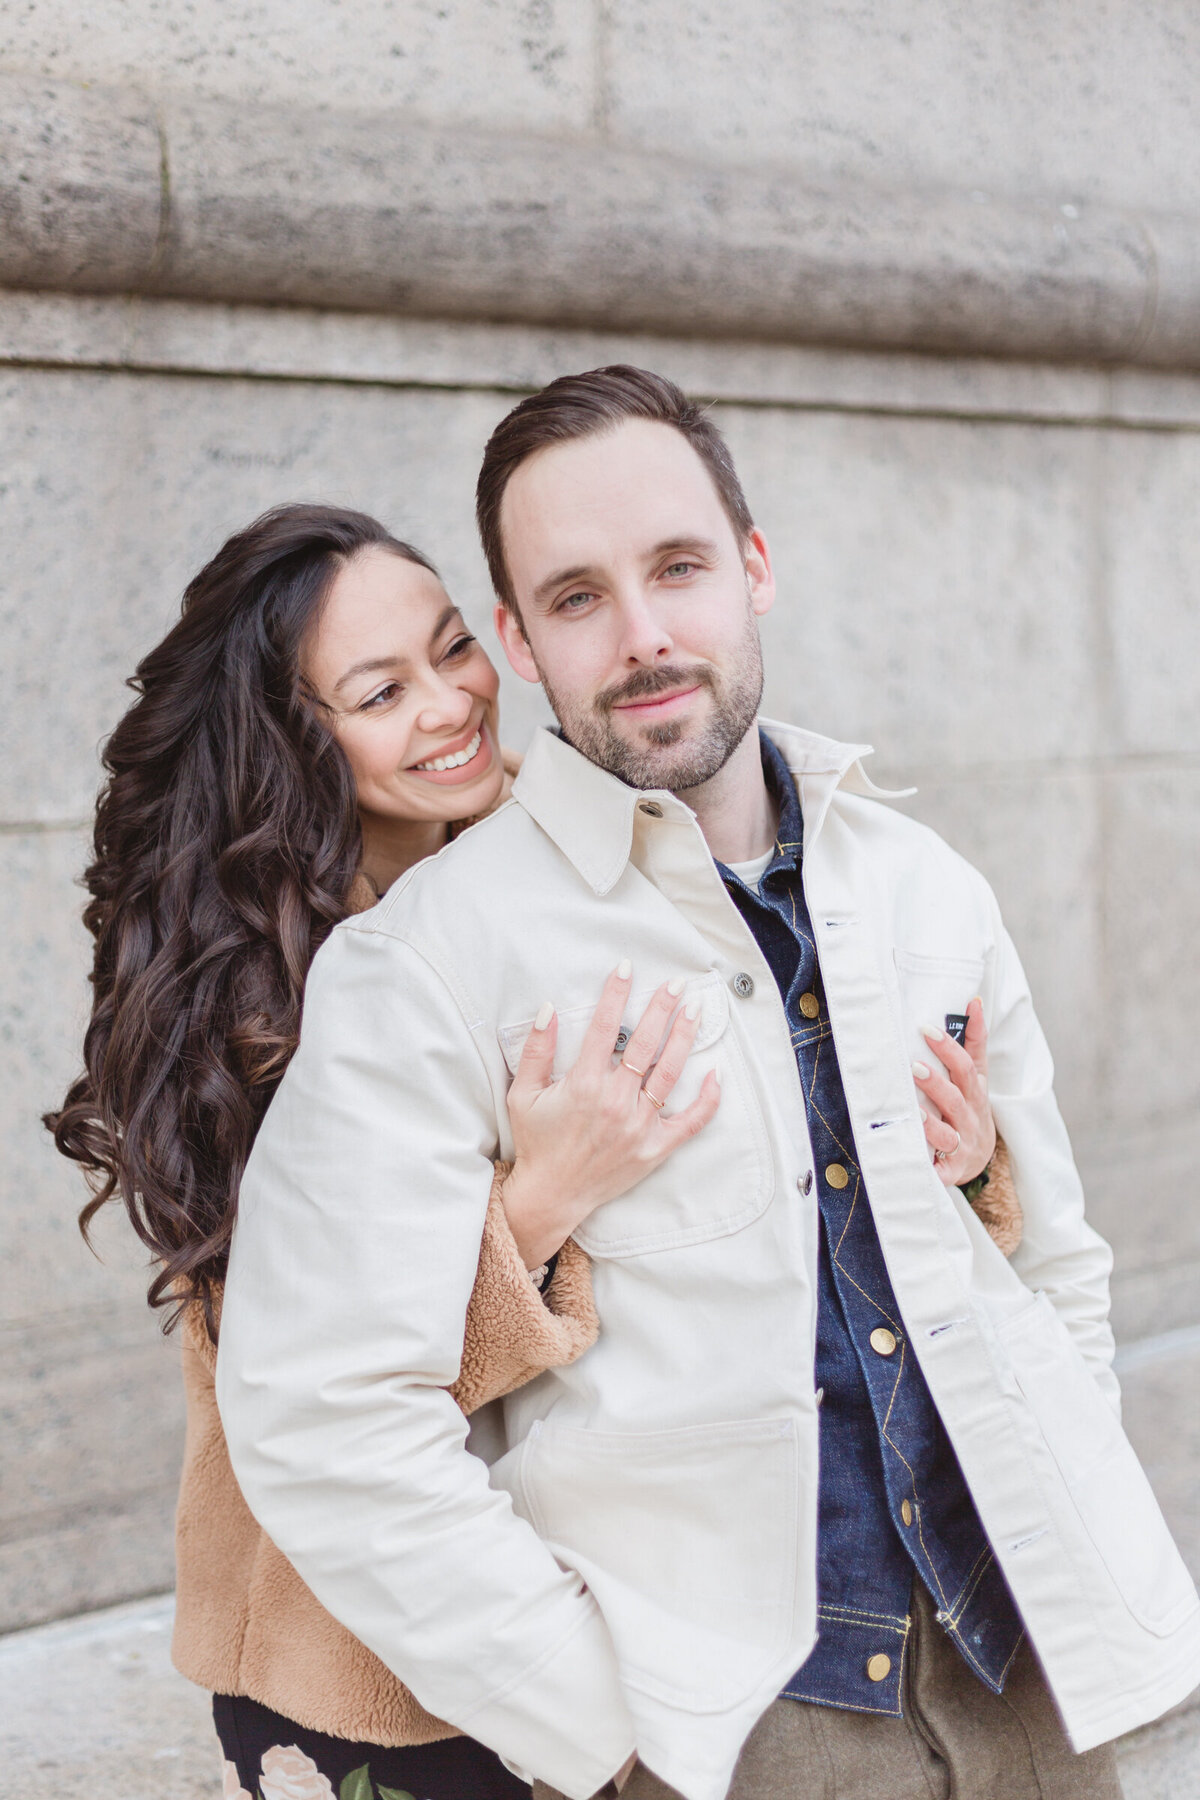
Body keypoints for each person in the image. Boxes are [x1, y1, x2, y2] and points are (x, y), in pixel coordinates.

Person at [215, 367, 1198, 1800]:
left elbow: (1052, 1260)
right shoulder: (427, 961)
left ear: (753, 566)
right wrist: (596, 1724)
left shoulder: (926, 889)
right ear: (521, 642)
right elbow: (324, 1414)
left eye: (677, 567)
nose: (643, 635)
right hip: (738, 1732)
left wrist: (1075, 1504)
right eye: (575, 598)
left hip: (1028, 1680)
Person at [46, 503, 726, 1800]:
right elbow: (320, 1386)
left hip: (585, 1577)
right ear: (291, 738)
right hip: (358, 1665)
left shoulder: (564, 855)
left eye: (454, 647)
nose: (451, 702)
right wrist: (540, 1201)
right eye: (379, 691)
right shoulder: (253, 1006)